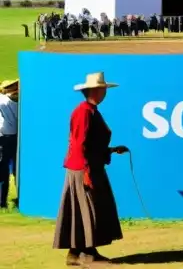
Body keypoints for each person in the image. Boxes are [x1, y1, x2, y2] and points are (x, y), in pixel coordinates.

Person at [54, 72, 128, 266]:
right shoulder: (84, 112)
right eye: (103, 89)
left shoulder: (90, 110)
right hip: (83, 169)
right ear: (95, 90)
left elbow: (90, 143)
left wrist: (110, 150)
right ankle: (87, 254)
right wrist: (86, 172)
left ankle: (77, 254)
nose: (105, 92)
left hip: (88, 166)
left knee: (84, 209)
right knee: (88, 209)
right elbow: (79, 143)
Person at [0, 79, 17, 209]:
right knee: (16, 170)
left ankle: (2, 201)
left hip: (3, 139)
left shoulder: (3, 100)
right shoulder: (17, 102)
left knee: (3, 170)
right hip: (15, 138)